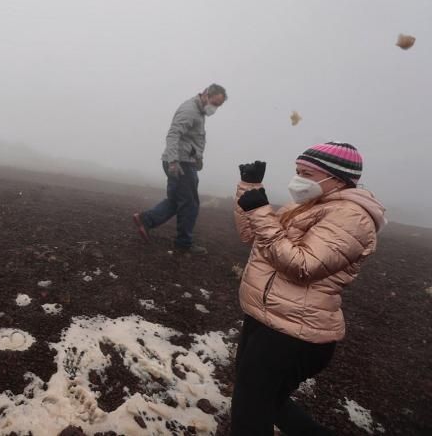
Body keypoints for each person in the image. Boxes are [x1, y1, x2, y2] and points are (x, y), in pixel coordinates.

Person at [231, 142, 386, 435]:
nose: (298, 179)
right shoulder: (306, 206)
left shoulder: (352, 217)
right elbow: (252, 233)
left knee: (249, 413)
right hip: (267, 316)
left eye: (307, 173)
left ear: (338, 179)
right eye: (297, 171)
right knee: (267, 401)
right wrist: (248, 188)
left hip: (293, 331)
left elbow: (302, 266)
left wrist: (261, 211)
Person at [133, 83, 227, 254]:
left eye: (218, 106)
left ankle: (145, 220)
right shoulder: (190, 110)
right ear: (205, 94)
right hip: (180, 164)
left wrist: (198, 157)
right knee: (190, 203)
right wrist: (173, 161)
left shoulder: (199, 111)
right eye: (214, 103)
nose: (214, 108)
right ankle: (184, 243)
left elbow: (192, 139)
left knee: (176, 201)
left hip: (184, 161)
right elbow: (173, 134)